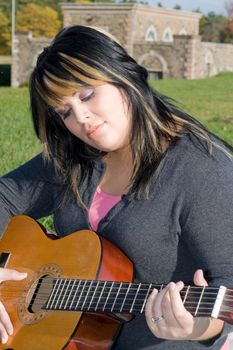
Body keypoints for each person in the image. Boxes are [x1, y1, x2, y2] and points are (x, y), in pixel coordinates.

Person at [0, 25, 233, 349]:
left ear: (121, 75)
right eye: (65, 111)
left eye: (87, 94)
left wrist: (200, 328)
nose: (81, 118)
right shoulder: (73, 156)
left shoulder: (204, 171)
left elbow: (228, 280)